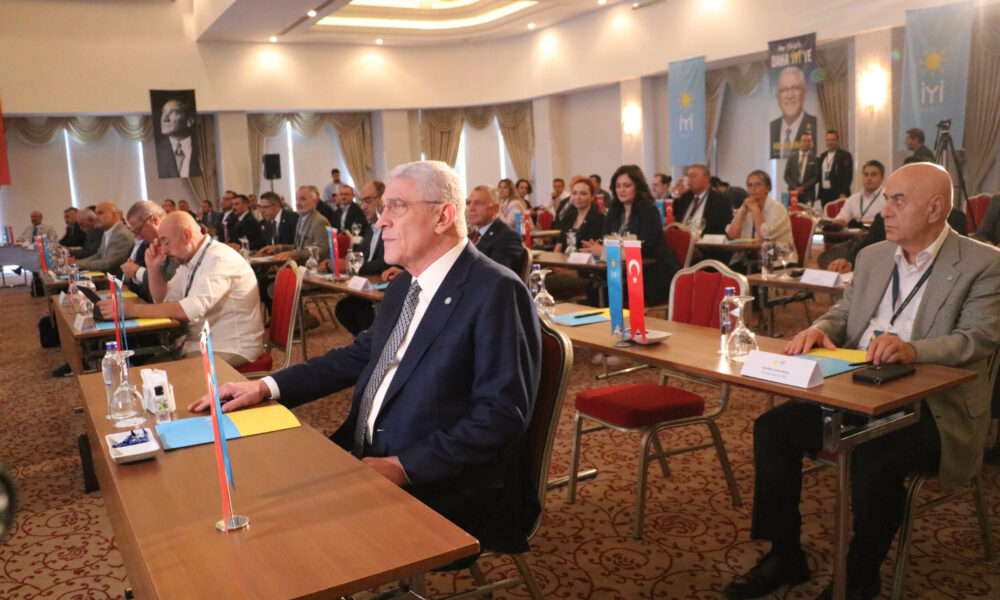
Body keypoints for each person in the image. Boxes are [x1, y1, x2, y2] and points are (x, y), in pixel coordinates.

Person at [188, 160, 542, 558]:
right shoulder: (406, 284)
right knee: (253, 482)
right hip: (369, 455)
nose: (379, 220)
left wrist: (403, 466)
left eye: (396, 206)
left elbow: (501, 415)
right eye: (382, 207)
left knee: (275, 540)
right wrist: (265, 386)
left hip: (442, 483)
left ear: (443, 216)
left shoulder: (496, 291)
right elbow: (358, 355)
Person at [723, 162, 1000, 600]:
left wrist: (913, 350)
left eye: (898, 201)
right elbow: (843, 314)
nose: (885, 211)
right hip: (857, 388)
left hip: (932, 406)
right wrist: (819, 329)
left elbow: (978, 338)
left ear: (935, 209)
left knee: (873, 457)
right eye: (886, 200)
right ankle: (785, 554)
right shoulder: (873, 255)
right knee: (772, 429)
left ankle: (858, 578)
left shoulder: (983, 263)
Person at [99, 211, 264, 367]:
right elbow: (164, 300)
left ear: (187, 236)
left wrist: (129, 309)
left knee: (164, 376)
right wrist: (154, 268)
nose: (164, 250)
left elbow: (189, 310)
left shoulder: (220, 259)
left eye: (166, 242)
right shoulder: (190, 259)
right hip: (197, 343)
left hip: (230, 347)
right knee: (145, 368)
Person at [583, 164, 678, 305]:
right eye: (618, 186)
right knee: (592, 287)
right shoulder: (614, 211)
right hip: (621, 272)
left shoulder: (649, 211)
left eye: (627, 185)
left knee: (604, 291)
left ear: (637, 187)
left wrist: (603, 251)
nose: (621, 190)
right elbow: (605, 239)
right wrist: (596, 247)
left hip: (650, 274)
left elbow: (644, 248)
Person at [334, 180, 399, 335]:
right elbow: (360, 256)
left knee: (360, 314)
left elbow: (387, 263)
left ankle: (373, 345)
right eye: (361, 202)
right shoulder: (370, 228)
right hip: (368, 288)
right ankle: (367, 346)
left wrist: (350, 265)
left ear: (383, 198)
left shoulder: (393, 227)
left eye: (368, 201)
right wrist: (347, 263)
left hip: (388, 289)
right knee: (343, 309)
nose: (363, 207)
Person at [726, 170, 797, 264]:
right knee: (727, 269)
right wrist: (742, 210)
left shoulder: (778, 208)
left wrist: (756, 211)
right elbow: (732, 235)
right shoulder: (747, 207)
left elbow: (764, 238)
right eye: (749, 185)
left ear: (768, 188)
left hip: (778, 258)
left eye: (757, 185)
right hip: (750, 258)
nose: (753, 188)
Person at [121, 201, 179, 303]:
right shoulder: (151, 242)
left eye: (138, 230)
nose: (139, 238)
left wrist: (136, 272)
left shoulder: (176, 239)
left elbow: (169, 282)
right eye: (135, 233)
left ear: (154, 220)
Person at [259, 185, 331, 264]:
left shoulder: (319, 222)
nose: (298, 203)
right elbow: (298, 247)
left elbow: (321, 251)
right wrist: (279, 247)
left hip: (314, 267)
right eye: (297, 199)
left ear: (314, 201)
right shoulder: (301, 220)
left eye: (303, 199)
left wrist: (292, 253)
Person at [467, 184, 525, 275]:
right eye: (469, 203)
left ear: (495, 209)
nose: (471, 208)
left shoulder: (507, 237)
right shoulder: (470, 236)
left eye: (478, 203)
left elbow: (498, 276)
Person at [72, 201, 135, 276]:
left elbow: (108, 263)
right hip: (105, 277)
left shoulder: (121, 234)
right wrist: (76, 264)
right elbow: (98, 255)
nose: (96, 217)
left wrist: (78, 265)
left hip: (115, 280)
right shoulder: (107, 232)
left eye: (100, 213)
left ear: (114, 214)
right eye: (96, 214)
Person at [770, 66, 818, 159]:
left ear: (804, 93)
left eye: (795, 88)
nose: (789, 96)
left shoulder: (813, 123)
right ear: (778, 97)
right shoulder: (772, 127)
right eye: (784, 89)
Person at [673, 164, 731, 235]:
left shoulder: (720, 201)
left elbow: (723, 230)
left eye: (693, 176)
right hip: (681, 238)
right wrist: (677, 195)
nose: (689, 180)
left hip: (704, 240)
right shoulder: (685, 197)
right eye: (688, 176)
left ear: (707, 178)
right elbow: (671, 215)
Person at [553, 175, 606, 254]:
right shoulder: (568, 217)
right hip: (564, 260)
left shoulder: (599, 219)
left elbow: (591, 249)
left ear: (592, 197)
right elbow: (558, 246)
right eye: (574, 193)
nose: (578, 197)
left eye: (583, 193)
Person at [155, 97, 202, 178]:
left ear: (189, 121)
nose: (164, 118)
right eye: (163, 112)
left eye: (173, 112)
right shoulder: (157, 150)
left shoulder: (203, 149)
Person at [834, 160, 885, 225]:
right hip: (855, 231)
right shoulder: (853, 198)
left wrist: (863, 223)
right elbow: (841, 218)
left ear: (882, 178)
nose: (869, 178)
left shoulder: (887, 197)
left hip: (876, 231)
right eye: (866, 174)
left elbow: (889, 222)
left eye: (873, 175)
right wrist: (841, 222)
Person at [817, 130, 854, 206]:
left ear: (837, 141)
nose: (830, 142)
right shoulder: (822, 156)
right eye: (828, 140)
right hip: (824, 193)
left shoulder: (845, 155)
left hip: (839, 193)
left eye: (833, 140)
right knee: (825, 212)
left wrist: (844, 192)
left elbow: (848, 176)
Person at [783, 133, 820, 207]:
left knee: (808, 214)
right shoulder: (791, 158)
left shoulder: (815, 159)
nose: (806, 143)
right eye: (804, 141)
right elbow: (786, 176)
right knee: (794, 213)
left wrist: (803, 187)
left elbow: (816, 177)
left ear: (811, 143)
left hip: (808, 194)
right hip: (793, 193)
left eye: (808, 141)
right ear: (799, 142)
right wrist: (795, 188)